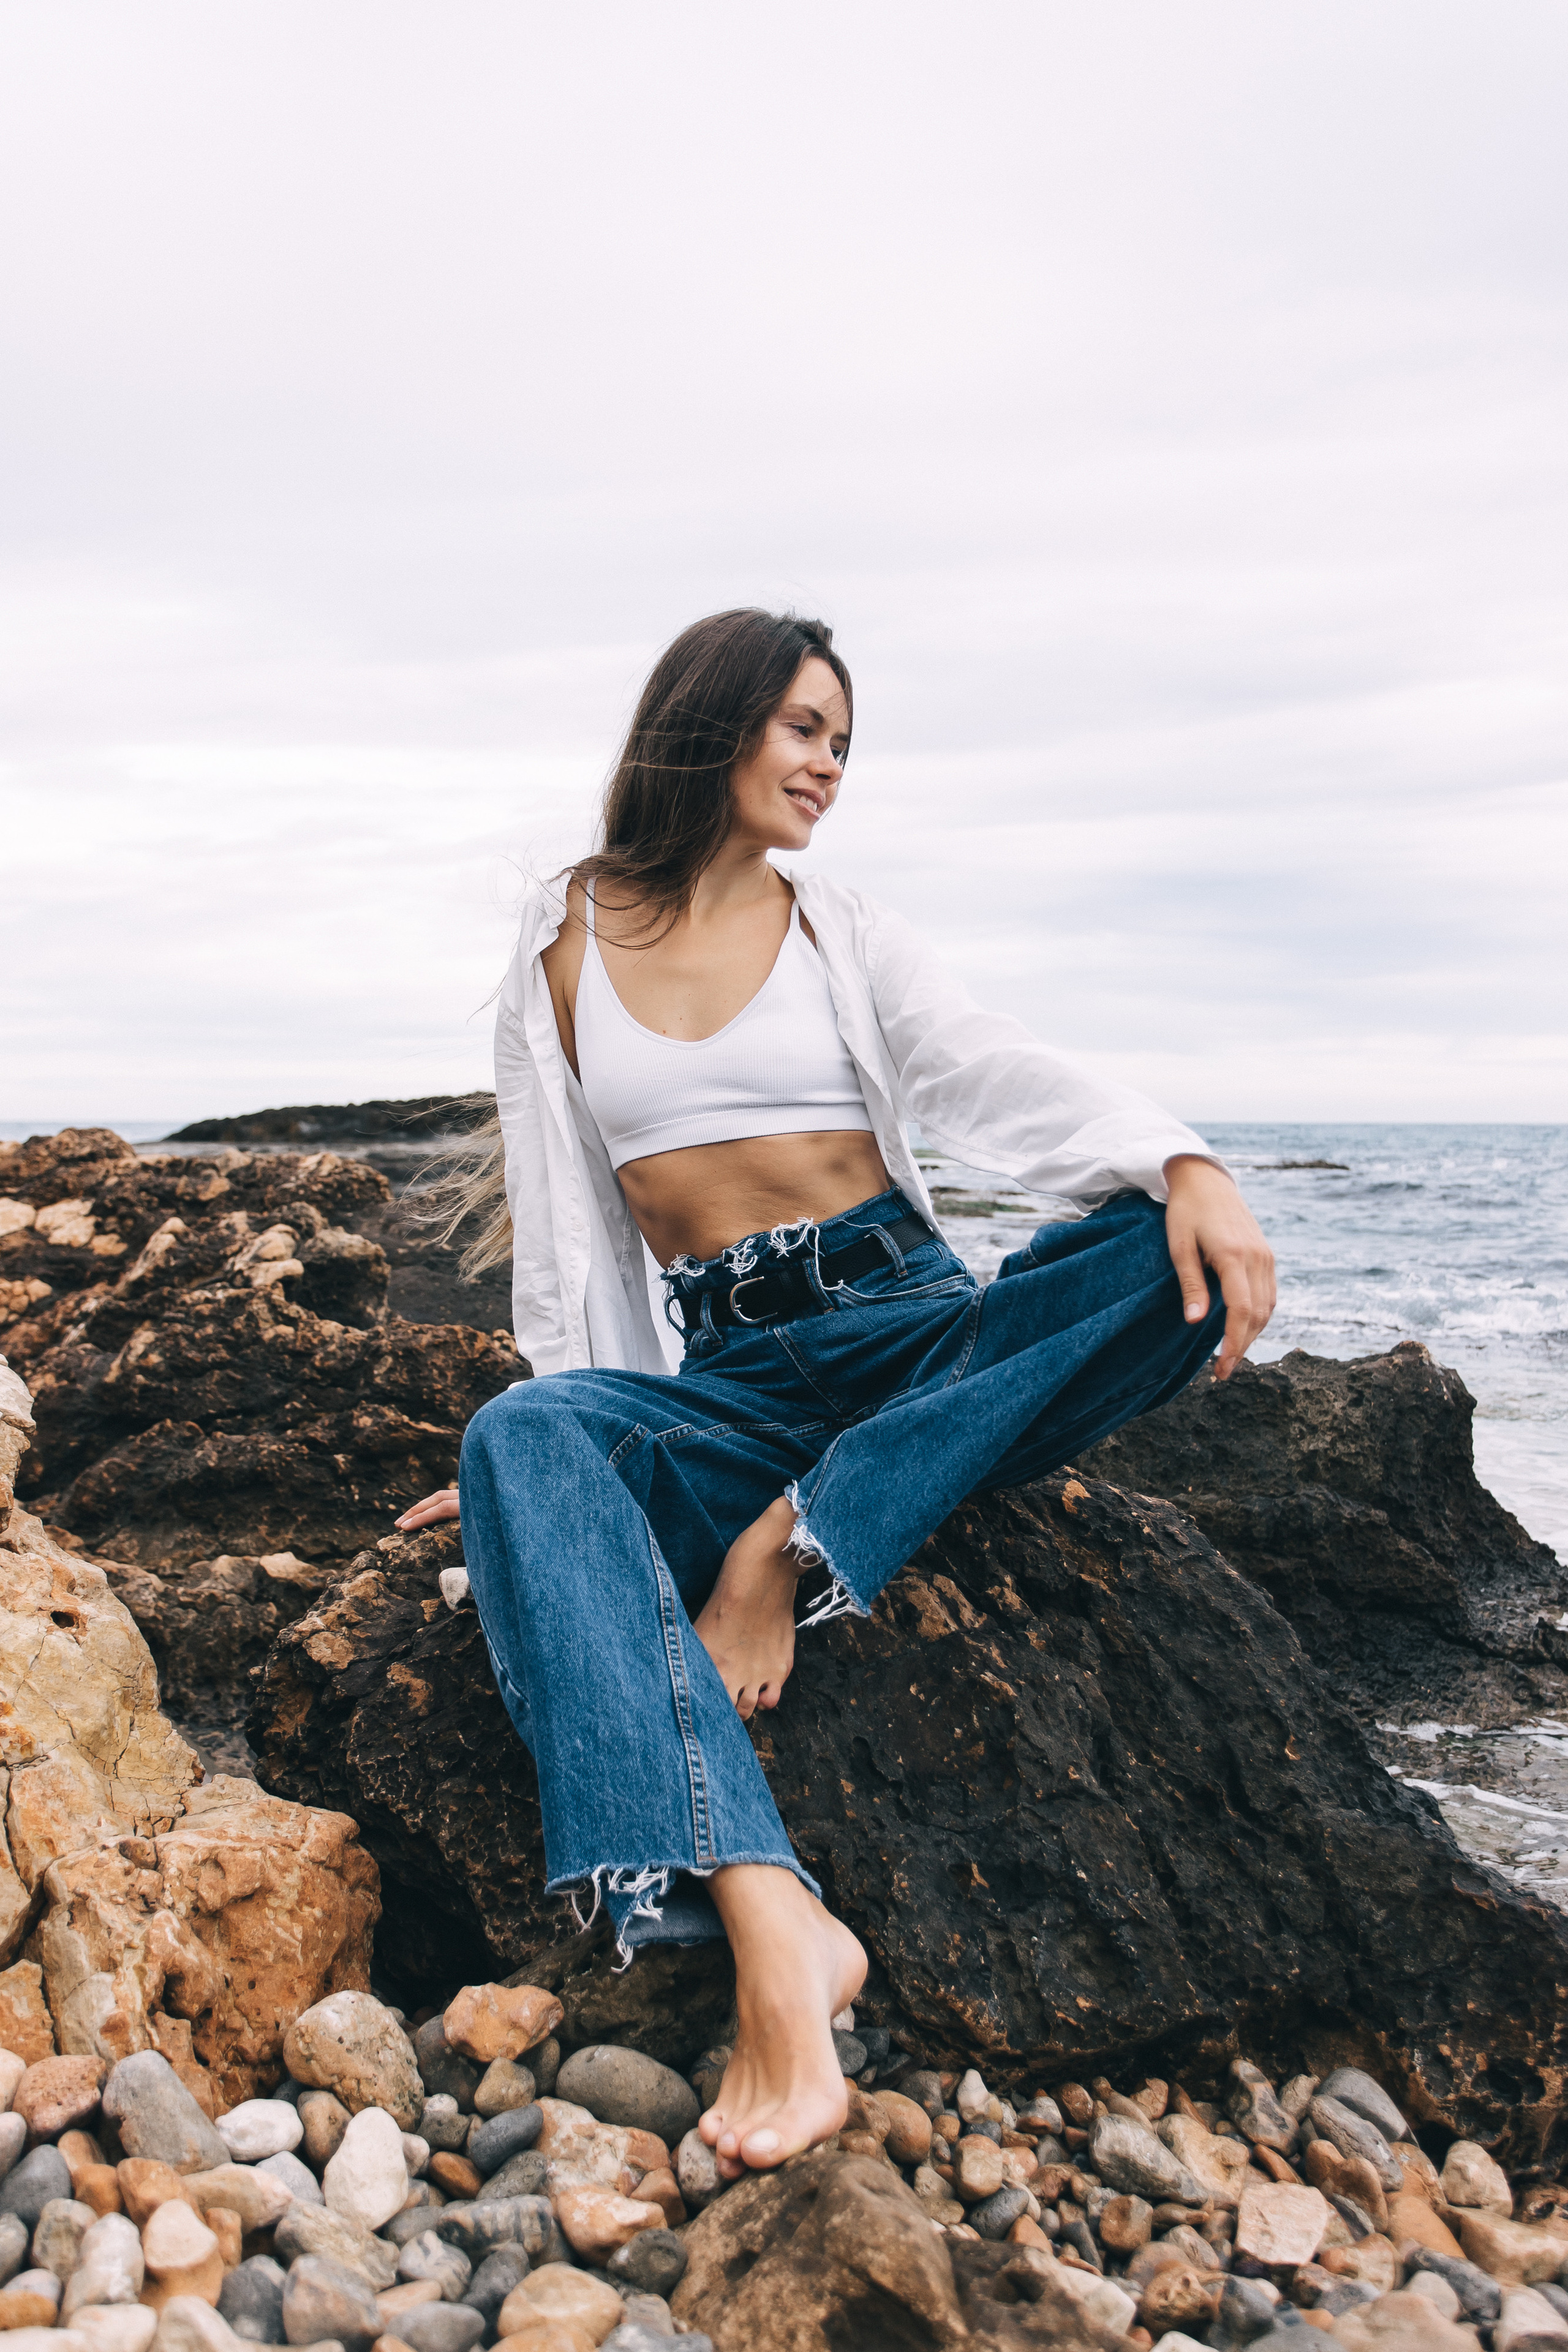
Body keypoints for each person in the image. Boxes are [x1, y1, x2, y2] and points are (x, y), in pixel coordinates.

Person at [395, 607, 1275, 2180]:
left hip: (914, 1343)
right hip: (731, 1379)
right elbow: (570, 1237)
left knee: (1153, 1255)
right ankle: (774, 1920)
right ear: (713, 720)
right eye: (804, 728)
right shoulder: (561, 938)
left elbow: (987, 1069)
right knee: (518, 1436)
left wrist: (1181, 1160)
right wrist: (549, 1477)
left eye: (843, 744)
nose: (827, 766)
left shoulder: (840, 929)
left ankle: (792, 1543)